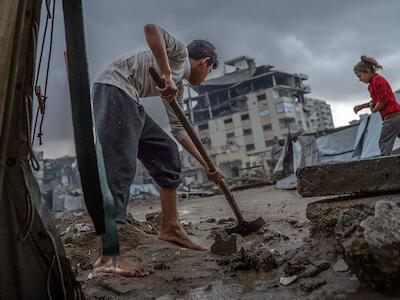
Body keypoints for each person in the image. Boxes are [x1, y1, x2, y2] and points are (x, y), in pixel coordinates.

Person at [90, 24, 224, 277]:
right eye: (209, 73)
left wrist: (208, 166)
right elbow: (152, 29)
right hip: (113, 89)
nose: (204, 80)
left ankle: (171, 227)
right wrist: (166, 75)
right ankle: (107, 257)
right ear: (205, 63)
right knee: (120, 168)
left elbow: (180, 131)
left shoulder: (178, 89)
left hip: (130, 99)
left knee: (166, 153)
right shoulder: (179, 55)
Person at [353, 55, 400, 156]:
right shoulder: (373, 84)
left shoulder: (377, 80)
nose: (360, 80)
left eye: (360, 76)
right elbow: (376, 100)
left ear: (367, 71)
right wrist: (362, 106)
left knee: (384, 143)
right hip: (396, 116)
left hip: (392, 118)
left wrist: (374, 110)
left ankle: (385, 167)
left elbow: (383, 100)